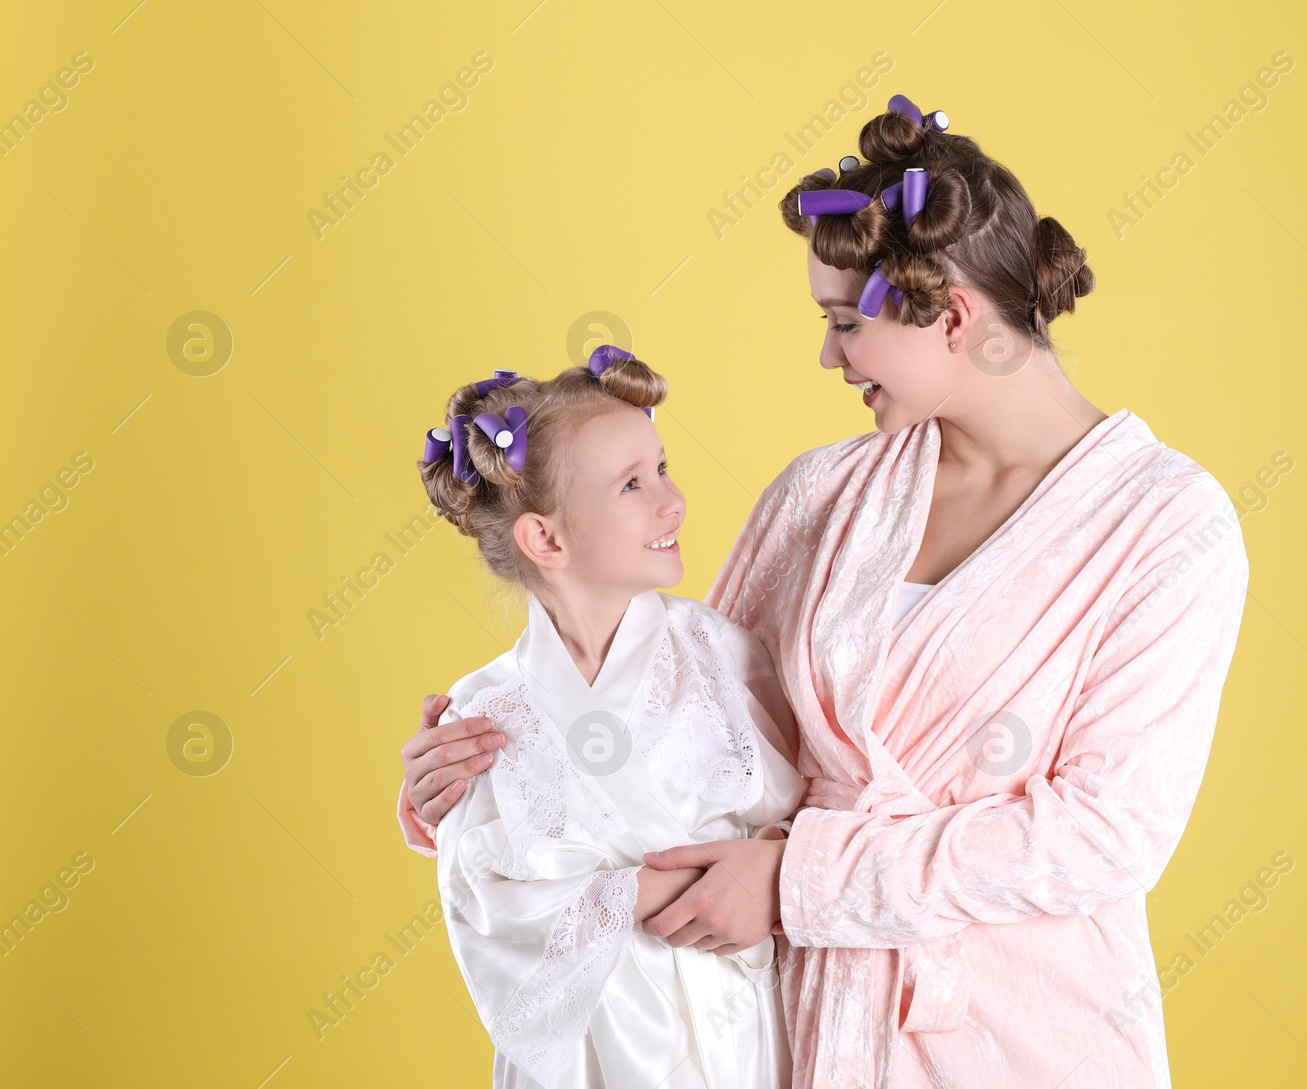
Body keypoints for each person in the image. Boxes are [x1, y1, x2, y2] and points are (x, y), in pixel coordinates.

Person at [400, 94, 1250, 1088]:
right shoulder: (823, 496)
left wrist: (800, 882)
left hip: (1018, 1034)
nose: (827, 356)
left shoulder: (1165, 527)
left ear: (953, 316)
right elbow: (687, 736)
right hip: (802, 1032)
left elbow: (1103, 836)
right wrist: (492, 771)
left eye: (845, 323)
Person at [413, 346, 805, 1088]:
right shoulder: (486, 715)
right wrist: (648, 891)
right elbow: (484, 904)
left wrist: (769, 867)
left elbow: (803, 804)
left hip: (738, 1027)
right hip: (600, 1049)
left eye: (662, 467)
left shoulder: (720, 655)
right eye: (632, 483)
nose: (672, 500)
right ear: (546, 538)